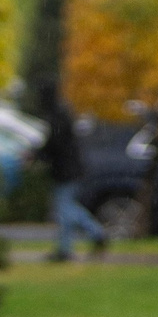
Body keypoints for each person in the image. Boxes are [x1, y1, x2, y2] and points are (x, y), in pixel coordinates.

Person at [40, 94, 106, 262]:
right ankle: (65, 248)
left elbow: (53, 145)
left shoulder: (56, 119)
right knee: (66, 210)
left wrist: (37, 155)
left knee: (65, 209)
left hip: (66, 172)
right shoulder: (63, 116)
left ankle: (96, 233)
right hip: (72, 170)